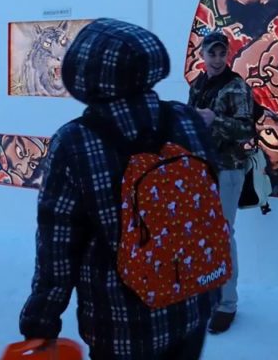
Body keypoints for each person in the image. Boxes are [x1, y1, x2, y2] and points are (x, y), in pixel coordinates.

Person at [19, 18, 219, 360]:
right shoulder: (186, 120)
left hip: (124, 323)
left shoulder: (76, 142)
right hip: (192, 305)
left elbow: (57, 247)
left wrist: (40, 323)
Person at [187, 30, 255, 334]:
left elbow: (245, 130)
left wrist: (216, 120)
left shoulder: (236, 86)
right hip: (201, 169)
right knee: (204, 235)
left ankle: (227, 303)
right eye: (211, 53)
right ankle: (209, 294)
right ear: (202, 54)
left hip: (227, 170)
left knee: (223, 235)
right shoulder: (197, 84)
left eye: (221, 53)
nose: (216, 58)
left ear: (227, 54)